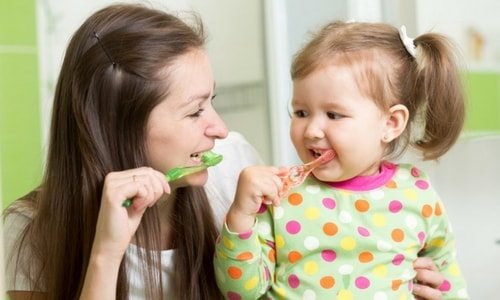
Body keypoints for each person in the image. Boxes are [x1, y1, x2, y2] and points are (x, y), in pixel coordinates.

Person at [1, 4, 447, 299]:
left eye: (212, 100)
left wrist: (414, 279)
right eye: (195, 112)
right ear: (120, 128)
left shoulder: (233, 168)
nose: (220, 129)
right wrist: (106, 252)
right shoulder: (28, 231)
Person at [214, 21, 468, 299]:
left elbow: (447, 277)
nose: (311, 130)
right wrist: (240, 214)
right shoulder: (280, 193)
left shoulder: (417, 192)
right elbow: (239, 292)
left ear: (391, 123)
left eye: (334, 115)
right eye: (300, 112)